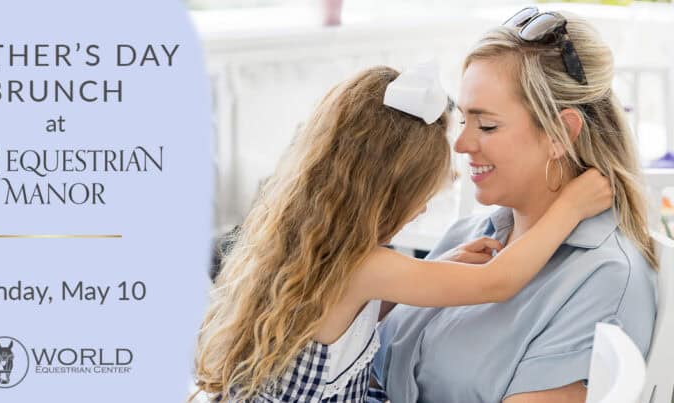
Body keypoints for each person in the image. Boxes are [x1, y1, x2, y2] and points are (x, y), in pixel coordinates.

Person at [191, 62, 611, 402]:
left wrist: (442, 266)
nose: (423, 208)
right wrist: (570, 207)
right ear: (385, 192)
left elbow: (350, 317)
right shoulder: (365, 266)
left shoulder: (318, 248)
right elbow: (497, 282)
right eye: (420, 195)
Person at [370, 8, 657, 403]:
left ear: (560, 133)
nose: (461, 145)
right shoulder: (470, 236)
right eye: (464, 121)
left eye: (487, 125)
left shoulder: (603, 281)